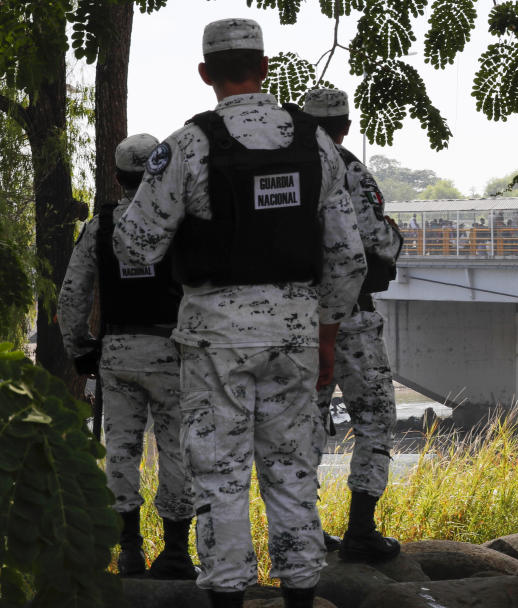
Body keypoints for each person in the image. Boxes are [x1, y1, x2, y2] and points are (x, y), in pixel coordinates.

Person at [113, 19, 366, 608]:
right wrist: (325, 333)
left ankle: (228, 597)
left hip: (215, 339)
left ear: (206, 74)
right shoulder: (316, 143)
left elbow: (136, 246)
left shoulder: (189, 144)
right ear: (267, 67)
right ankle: (301, 595)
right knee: (293, 473)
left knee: (220, 480)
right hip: (298, 332)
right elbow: (349, 257)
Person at [57, 134, 196, 580]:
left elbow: (72, 297)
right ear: (158, 171)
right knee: (176, 450)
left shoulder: (101, 225)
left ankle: (130, 551)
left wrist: (81, 350)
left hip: (117, 353)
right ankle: (176, 552)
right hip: (174, 352)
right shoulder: (180, 221)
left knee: (120, 450)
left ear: (117, 178)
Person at [301, 87, 404, 563]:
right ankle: (361, 529)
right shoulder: (350, 169)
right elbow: (375, 239)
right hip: (351, 319)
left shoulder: (288, 169)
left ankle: (303, 529)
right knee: (375, 418)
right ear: (346, 126)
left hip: (297, 318)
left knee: (302, 426)